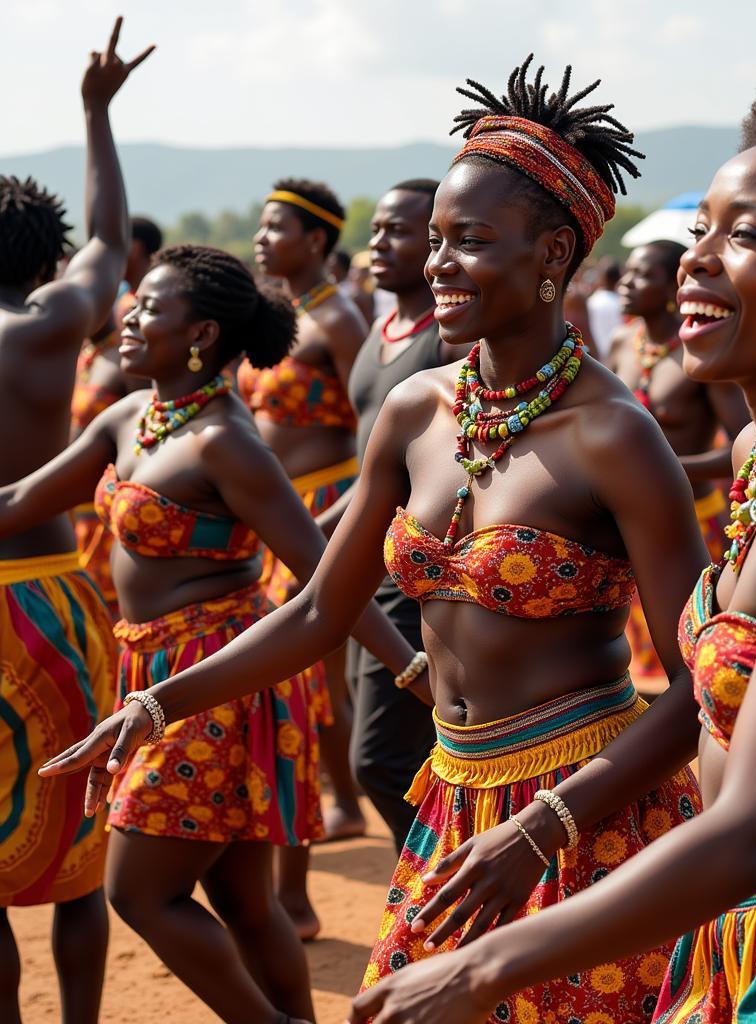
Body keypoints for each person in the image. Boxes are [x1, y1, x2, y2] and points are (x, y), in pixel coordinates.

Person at [41, 56, 708, 1023]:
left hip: (586, 818)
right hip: (451, 803)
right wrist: (154, 707)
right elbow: (319, 609)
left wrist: (543, 829)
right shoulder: (413, 411)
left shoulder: (613, 434)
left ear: (554, 253)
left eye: (469, 240)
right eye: (435, 238)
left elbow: (703, 683)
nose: (436, 263)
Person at [343, 75, 756, 1024]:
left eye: (742, 237)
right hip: (747, 927)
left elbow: (752, 834)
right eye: (700, 228)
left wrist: (481, 963)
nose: (695, 261)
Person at [7, 243, 414, 1024]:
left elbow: (326, 572)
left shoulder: (224, 442)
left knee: (140, 890)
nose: (126, 320)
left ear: (199, 336)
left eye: (149, 309)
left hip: (220, 678)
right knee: (243, 900)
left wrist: (407, 666)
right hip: (147, 666)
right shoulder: (134, 415)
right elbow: (22, 498)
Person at [0, 22, 152, 1024]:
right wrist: (96, 114)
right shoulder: (55, 324)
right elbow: (109, 240)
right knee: (81, 850)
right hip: (50, 599)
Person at [316, 178, 465, 854]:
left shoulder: (450, 343)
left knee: (377, 757)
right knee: (398, 746)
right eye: (376, 230)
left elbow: (422, 469)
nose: (380, 244)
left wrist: (326, 532)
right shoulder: (379, 330)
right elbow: (374, 460)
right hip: (365, 560)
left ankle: (448, 886)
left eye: (401, 231)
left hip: (412, 569)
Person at [244, 178, 369, 938]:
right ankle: (340, 797)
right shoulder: (276, 317)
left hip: (323, 510)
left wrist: (346, 519)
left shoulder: (339, 321)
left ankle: (343, 803)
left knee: (309, 668)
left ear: (317, 240)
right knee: (306, 670)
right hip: (274, 513)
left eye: (276, 226)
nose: (262, 238)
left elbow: (379, 422)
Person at [609, 240, 750, 679]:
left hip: (693, 520)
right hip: (625, 521)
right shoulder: (619, 343)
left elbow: (745, 448)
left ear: (674, 287)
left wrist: (666, 467)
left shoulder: (702, 353)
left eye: (644, 274)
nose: (627, 284)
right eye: (628, 272)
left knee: (691, 653)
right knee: (633, 658)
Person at [71, 215, 162, 617]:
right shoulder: (82, 353)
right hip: (76, 514)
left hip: (114, 517)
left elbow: (150, 439)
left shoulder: (128, 360)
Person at [585, 255, 623, 361]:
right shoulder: (623, 303)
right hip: (616, 356)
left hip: (596, 357)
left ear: (603, 277)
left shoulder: (592, 302)